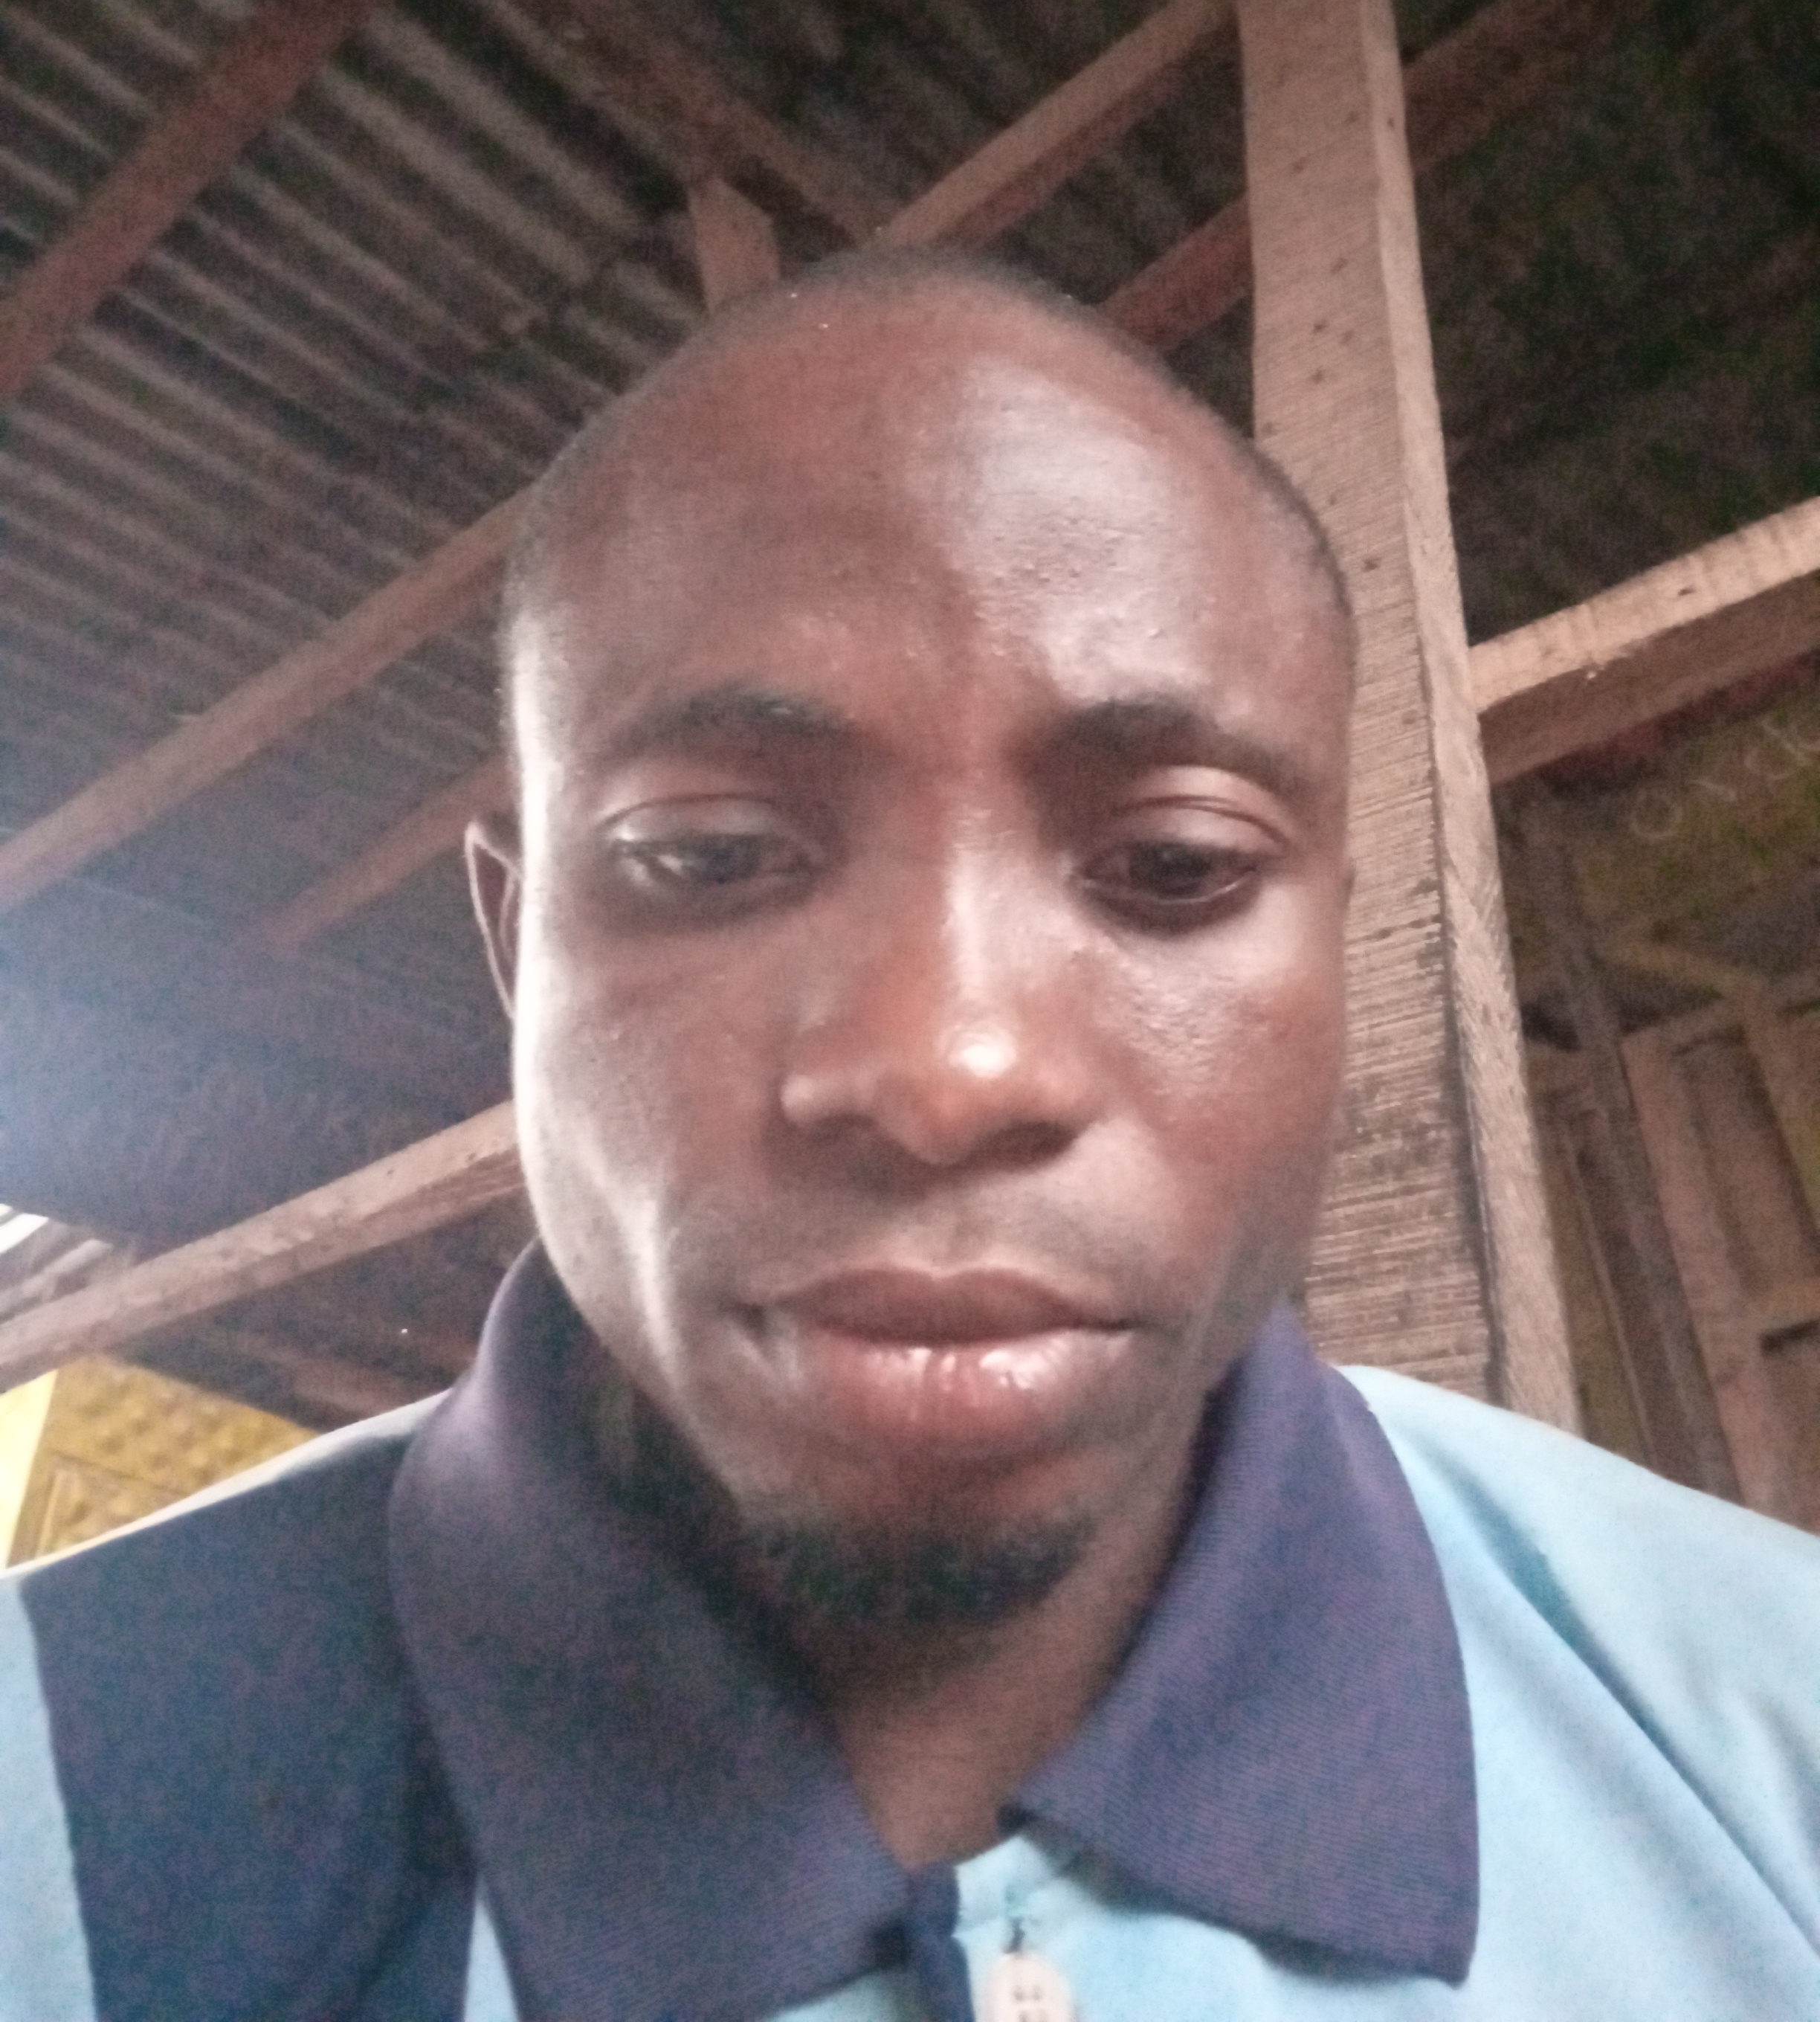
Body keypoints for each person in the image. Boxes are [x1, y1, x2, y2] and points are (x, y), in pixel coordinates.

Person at [1, 252, 1816, 2022]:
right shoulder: (54, 1808)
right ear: (514, 943)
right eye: (712, 855)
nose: (949, 1071)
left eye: (1174, 865)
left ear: (1339, 952)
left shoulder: (1764, 1722)